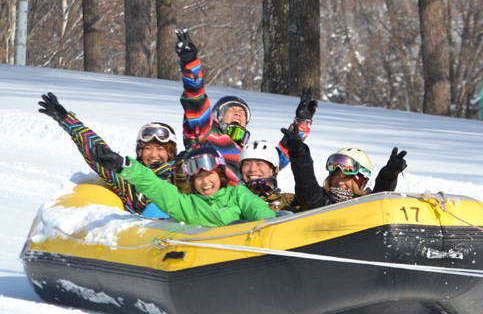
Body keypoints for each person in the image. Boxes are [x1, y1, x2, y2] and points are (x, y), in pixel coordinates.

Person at [174, 29, 313, 184]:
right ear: (217, 118)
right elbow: (196, 102)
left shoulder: (247, 154)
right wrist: (190, 65)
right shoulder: (206, 135)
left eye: (242, 112)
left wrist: (301, 123)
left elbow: (278, 157)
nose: (238, 113)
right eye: (231, 110)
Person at [38, 92, 178, 216]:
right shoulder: (128, 176)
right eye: (148, 148)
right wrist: (67, 120)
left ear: (170, 152)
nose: (154, 154)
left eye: (160, 149)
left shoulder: (180, 173)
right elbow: (98, 152)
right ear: (140, 152)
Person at [88, 145, 275, 227]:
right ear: (192, 182)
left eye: (210, 174)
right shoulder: (187, 205)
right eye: (198, 178)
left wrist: (267, 225)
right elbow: (156, 187)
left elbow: (254, 206)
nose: (205, 182)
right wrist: (125, 166)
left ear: (220, 174)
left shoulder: (236, 193)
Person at [282, 121, 408, 210]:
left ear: (361, 181)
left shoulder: (367, 206)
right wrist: (299, 155)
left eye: (347, 177)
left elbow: (380, 201)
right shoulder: (321, 202)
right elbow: (306, 185)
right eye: (336, 175)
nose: (340, 182)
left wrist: (388, 177)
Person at [239, 140, 303, 213]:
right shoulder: (230, 199)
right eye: (247, 164)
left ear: (273, 170)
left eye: (260, 164)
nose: (252, 169)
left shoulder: (290, 202)